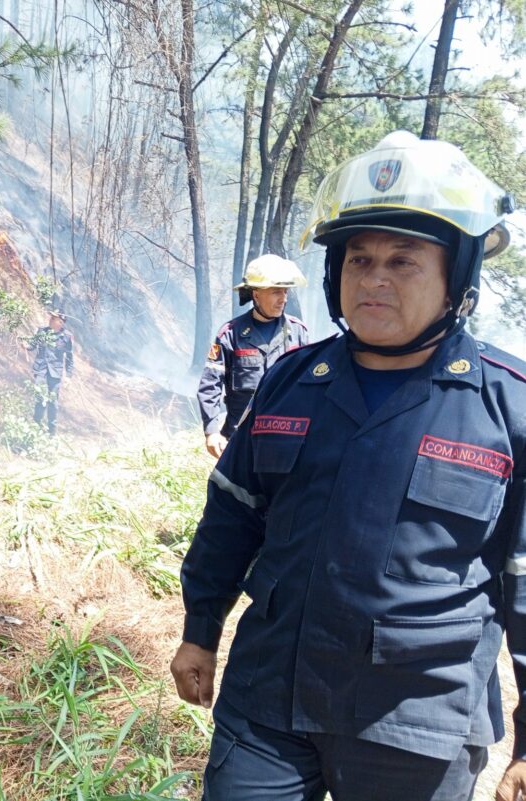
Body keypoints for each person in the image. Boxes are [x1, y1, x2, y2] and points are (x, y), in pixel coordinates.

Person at [170, 130, 526, 801]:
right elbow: (232, 516)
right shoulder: (292, 380)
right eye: (359, 259)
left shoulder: (508, 406)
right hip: (268, 700)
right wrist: (199, 628)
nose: (375, 279)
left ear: (459, 275)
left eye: (403, 260)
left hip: (416, 724)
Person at [197, 255, 309, 458]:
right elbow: (210, 385)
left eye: (285, 291)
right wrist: (212, 431)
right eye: (276, 292)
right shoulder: (230, 334)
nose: (283, 298)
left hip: (286, 442)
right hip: (240, 442)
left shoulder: (297, 332)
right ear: (256, 295)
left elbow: (311, 388)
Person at [25, 309, 74, 435]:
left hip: (55, 373)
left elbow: (69, 358)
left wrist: (68, 376)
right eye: (51, 318)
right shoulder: (42, 331)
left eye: (54, 319)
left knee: (53, 403)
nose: (50, 320)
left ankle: (51, 433)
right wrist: (25, 345)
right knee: (40, 399)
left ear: (61, 322)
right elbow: (32, 345)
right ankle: (35, 428)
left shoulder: (67, 337)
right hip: (41, 370)